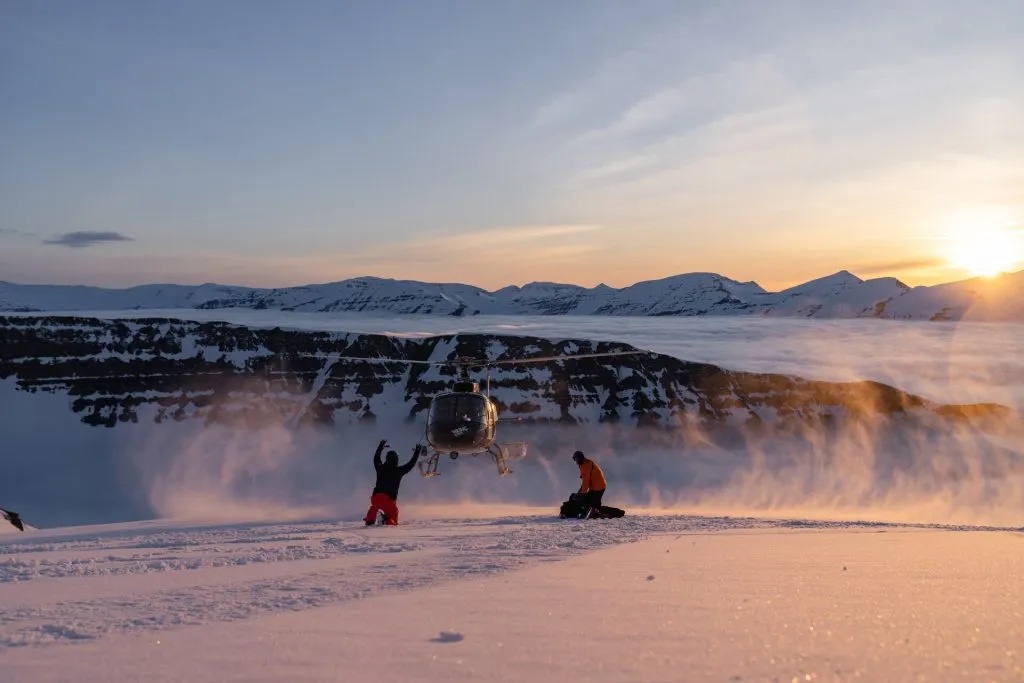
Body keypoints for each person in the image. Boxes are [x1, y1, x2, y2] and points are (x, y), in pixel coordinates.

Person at [364, 439, 421, 526]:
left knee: (374, 507)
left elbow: (376, 458)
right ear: (396, 460)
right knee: (393, 517)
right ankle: (386, 520)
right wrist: (417, 452)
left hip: (376, 499)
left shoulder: (380, 468)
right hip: (388, 500)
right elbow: (411, 464)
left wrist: (381, 446)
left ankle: (370, 519)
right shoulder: (398, 471)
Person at [572, 450, 607, 518]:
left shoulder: (585, 466)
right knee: (594, 501)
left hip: (597, 487)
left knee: (587, 500)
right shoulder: (586, 463)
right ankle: (596, 511)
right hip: (599, 486)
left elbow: (586, 482)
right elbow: (585, 481)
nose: (576, 461)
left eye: (576, 459)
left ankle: (594, 512)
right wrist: (581, 491)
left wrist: (582, 493)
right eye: (575, 459)